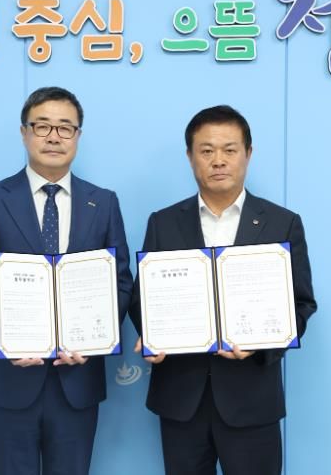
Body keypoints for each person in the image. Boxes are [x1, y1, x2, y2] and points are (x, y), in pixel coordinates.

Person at [0, 86, 132, 475]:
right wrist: (1, 337)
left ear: (78, 136)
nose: (54, 137)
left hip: (77, 379)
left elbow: (120, 282)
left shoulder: (103, 203)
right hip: (8, 380)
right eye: (42, 126)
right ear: (25, 133)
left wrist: (97, 338)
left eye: (65, 127)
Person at [129, 105, 317, 475]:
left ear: (248, 153)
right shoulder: (163, 222)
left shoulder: (282, 223)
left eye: (229, 150)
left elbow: (302, 303)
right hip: (181, 400)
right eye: (206, 150)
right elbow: (142, 298)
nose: (218, 160)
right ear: (190, 156)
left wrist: (262, 345)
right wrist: (151, 335)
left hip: (252, 401)